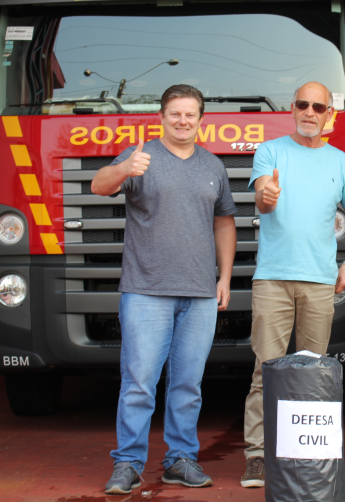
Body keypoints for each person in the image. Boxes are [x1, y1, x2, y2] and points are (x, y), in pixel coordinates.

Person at [91, 84, 237, 495]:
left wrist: (224, 278)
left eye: (190, 114)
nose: (182, 121)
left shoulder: (213, 166)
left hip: (200, 293)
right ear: (161, 117)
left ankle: (180, 460)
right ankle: (127, 464)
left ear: (201, 120)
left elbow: (224, 222)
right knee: (139, 382)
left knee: (188, 384)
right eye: (175, 113)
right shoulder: (140, 157)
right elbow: (99, 186)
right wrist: (125, 169)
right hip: (146, 291)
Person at [239, 82, 345, 488]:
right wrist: (269, 195)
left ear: (329, 115)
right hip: (272, 280)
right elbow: (262, 199)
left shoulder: (342, 162)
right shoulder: (270, 152)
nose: (310, 112)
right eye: (302, 104)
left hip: (320, 281)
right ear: (292, 109)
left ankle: (307, 454)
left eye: (318, 106)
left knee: (313, 372)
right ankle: (257, 456)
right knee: (266, 371)